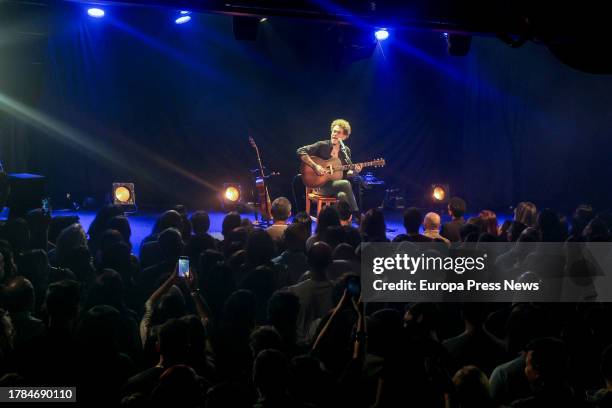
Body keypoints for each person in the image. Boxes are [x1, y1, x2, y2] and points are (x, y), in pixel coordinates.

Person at [297, 119, 362, 220]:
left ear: (344, 136)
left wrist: (355, 172)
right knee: (345, 184)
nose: (334, 134)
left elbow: (346, 172)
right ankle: (357, 214)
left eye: (338, 132)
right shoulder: (322, 145)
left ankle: (340, 224)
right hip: (320, 186)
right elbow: (301, 151)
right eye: (334, 131)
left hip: (336, 186)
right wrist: (315, 166)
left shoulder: (346, 151)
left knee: (342, 195)